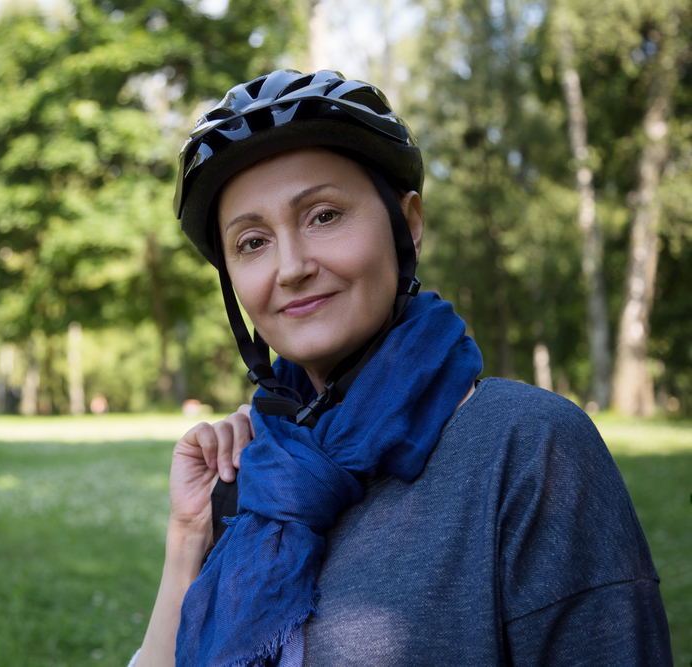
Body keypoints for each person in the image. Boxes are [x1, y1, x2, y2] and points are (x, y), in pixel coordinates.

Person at [131, 70, 671, 666]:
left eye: (323, 216)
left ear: (407, 225)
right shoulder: (254, 476)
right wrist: (188, 541)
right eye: (252, 242)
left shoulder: (528, 448)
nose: (291, 267)